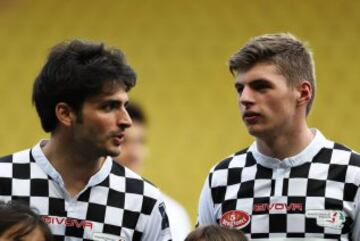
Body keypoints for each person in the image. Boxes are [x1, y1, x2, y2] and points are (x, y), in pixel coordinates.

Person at [0, 39, 172, 241]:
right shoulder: (3, 179)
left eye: (124, 106)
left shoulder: (144, 200)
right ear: (65, 113)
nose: (126, 120)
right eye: (109, 107)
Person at [197, 33, 360, 240]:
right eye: (240, 89)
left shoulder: (353, 173)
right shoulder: (221, 177)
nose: (245, 98)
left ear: (302, 93)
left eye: (261, 87)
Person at [114, 102, 192, 241]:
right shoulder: (87, 202)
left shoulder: (170, 213)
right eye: (124, 142)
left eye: (140, 142)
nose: (135, 154)